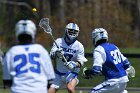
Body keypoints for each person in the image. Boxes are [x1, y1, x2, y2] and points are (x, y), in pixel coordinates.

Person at [2, 19, 55, 93]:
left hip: (19, 90)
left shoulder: (11, 52)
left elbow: (7, 81)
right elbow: (50, 79)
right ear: (33, 32)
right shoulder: (41, 50)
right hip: (39, 90)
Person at [82, 28, 135, 93]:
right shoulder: (114, 46)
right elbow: (126, 63)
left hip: (113, 82)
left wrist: (88, 73)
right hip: (124, 80)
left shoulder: (98, 50)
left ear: (95, 38)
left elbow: (96, 70)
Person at [48, 23, 88, 93]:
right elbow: (51, 55)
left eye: (74, 32)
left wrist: (74, 64)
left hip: (71, 73)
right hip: (58, 73)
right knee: (49, 91)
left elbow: (81, 62)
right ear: (66, 31)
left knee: (70, 88)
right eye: (70, 31)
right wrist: (57, 53)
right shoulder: (58, 41)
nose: (72, 33)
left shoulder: (79, 46)